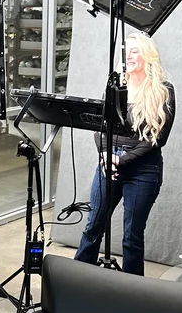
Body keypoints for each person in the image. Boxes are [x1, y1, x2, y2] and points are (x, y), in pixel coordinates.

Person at [74, 32, 175, 276]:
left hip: (143, 170)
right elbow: (99, 126)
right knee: (93, 226)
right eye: (126, 51)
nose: (129, 56)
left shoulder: (163, 90)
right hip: (109, 162)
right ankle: (75, 280)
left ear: (147, 55)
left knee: (132, 236)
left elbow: (157, 139)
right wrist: (106, 155)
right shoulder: (115, 87)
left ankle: (132, 291)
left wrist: (121, 160)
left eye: (135, 51)